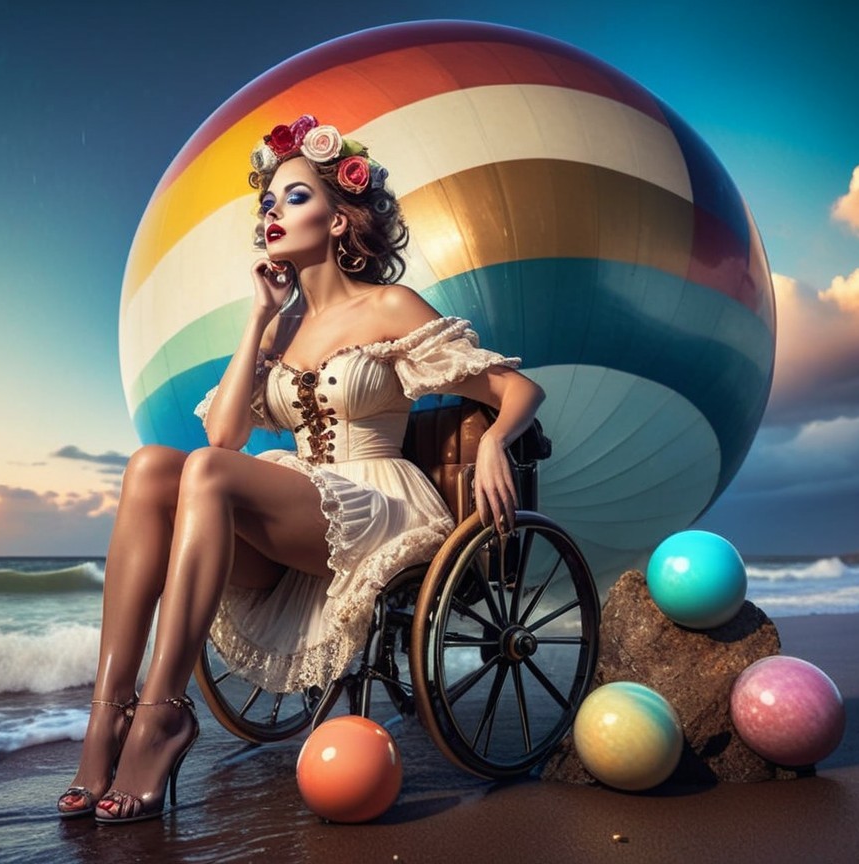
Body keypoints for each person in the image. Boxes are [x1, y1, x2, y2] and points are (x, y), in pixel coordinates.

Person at [56, 115, 545, 824]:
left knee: (208, 474)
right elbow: (223, 436)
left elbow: (519, 391)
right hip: (299, 507)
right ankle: (108, 715)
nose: (272, 215)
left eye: (293, 198)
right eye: (268, 204)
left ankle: (162, 715)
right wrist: (259, 317)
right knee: (150, 468)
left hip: (373, 502)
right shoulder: (280, 326)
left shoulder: (390, 307)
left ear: (342, 219)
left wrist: (497, 440)